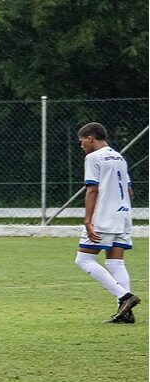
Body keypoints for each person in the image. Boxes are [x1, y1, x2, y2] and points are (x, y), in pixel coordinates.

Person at [73, 122, 140, 323]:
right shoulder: (119, 157)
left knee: (84, 260)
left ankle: (125, 297)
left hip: (104, 217)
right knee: (115, 262)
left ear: (90, 138)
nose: (81, 145)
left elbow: (92, 190)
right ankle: (125, 313)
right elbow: (130, 191)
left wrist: (88, 221)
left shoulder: (93, 157)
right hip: (124, 214)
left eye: (81, 141)